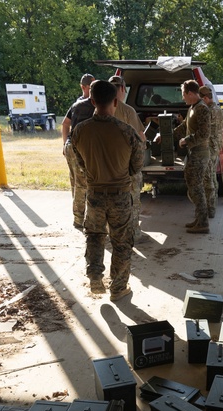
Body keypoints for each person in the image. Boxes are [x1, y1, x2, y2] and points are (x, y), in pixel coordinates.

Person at [70, 80, 144, 302]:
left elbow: (80, 163)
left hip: (94, 195)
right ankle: (118, 288)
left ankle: (95, 278)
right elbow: (136, 166)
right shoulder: (127, 132)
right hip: (120, 195)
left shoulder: (80, 131)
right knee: (121, 241)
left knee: (94, 236)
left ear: (92, 101)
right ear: (115, 101)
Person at [157, 80, 211, 233]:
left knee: (197, 187)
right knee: (193, 186)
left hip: (200, 154)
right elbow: (183, 127)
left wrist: (186, 140)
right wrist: (166, 135)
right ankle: (199, 219)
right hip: (193, 153)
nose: (183, 98)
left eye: (183, 94)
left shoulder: (202, 109)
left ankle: (203, 223)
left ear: (190, 93)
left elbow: (204, 134)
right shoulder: (193, 108)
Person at [108, 75, 146, 237]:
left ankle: (113, 231)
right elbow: (140, 136)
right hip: (127, 164)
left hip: (107, 165)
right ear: (123, 89)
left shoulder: (100, 109)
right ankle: (134, 232)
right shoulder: (128, 111)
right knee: (132, 198)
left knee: (110, 199)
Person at [61, 73, 96, 230]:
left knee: (76, 182)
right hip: (79, 148)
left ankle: (78, 216)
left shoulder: (76, 104)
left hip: (71, 146)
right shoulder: (89, 105)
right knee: (81, 184)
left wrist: (65, 144)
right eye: (91, 87)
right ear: (84, 87)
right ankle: (80, 219)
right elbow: (65, 124)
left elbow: (65, 124)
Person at [199, 85, 223, 220]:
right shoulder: (219, 110)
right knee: (213, 177)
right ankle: (213, 206)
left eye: (200, 99)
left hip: (209, 148)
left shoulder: (209, 112)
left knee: (207, 179)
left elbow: (203, 131)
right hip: (215, 147)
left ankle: (210, 210)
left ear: (205, 98)